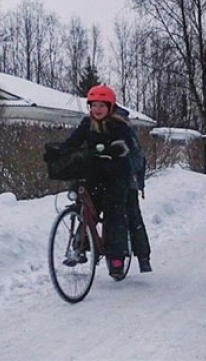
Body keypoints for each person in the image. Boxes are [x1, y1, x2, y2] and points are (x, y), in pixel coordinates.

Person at [55, 84, 141, 279]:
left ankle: (117, 257)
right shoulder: (87, 124)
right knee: (85, 207)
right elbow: (73, 142)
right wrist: (60, 152)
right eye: (94, 105)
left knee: (113, 213)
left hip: (117, 176)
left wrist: (117, 149)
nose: (98, 109)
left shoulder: (119, 125)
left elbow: (126, 143)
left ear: (110, 107)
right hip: (94, 173)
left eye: (102, 105)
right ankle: (81, 245)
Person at [118, 106, 153, 272]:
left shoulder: (126, 133)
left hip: (127, 180)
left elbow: (138, 159)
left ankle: (143, 256)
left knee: (132, 215)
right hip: (105, 179)